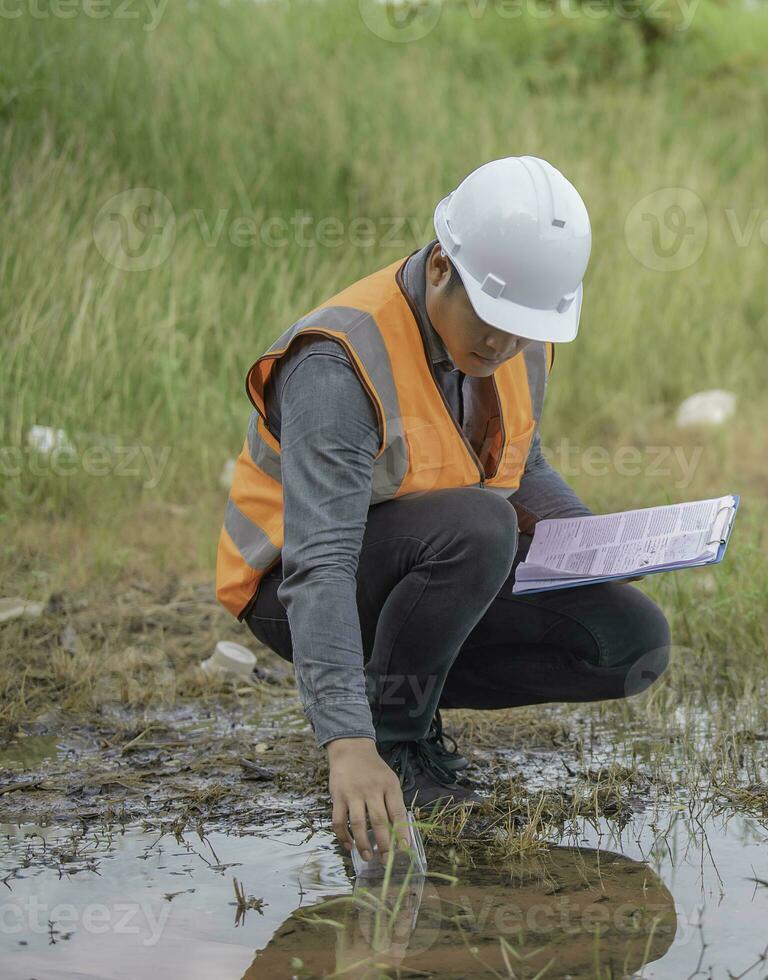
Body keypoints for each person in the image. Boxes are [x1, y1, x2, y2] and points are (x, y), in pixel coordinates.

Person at [214, 157, 672, 864]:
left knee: (628, 643)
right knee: (477, 526)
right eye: (491, 320)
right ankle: (396, 746)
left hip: (432, 567)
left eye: (520, 328)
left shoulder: (520, 337)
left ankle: (400, 699)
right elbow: (321, 565)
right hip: (295, 588)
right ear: (438, 269)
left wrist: (596, 547)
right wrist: (349, 746)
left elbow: (519, 464)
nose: (502, 344)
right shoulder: (338, 365)